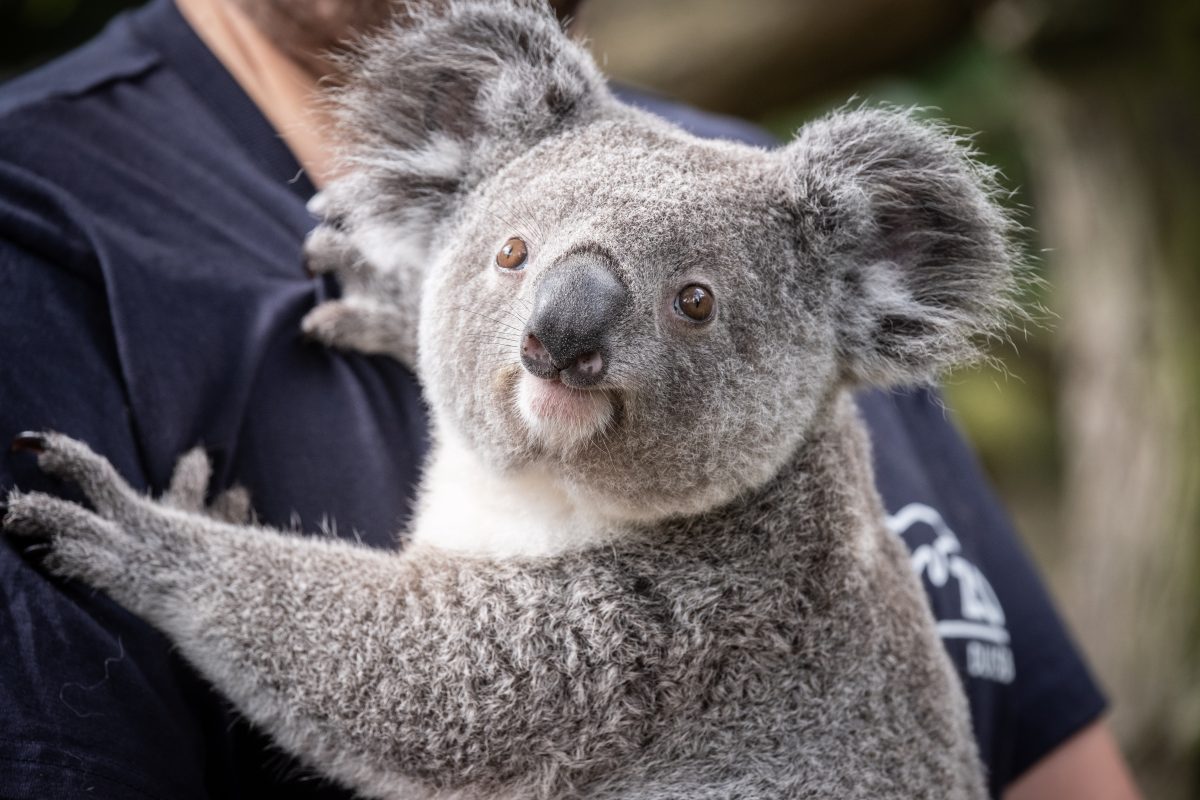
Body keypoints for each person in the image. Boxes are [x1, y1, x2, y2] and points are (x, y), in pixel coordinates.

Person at [0, 0, 1140, 798]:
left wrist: (170, 561)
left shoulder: (776, 243)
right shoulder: (43, 228)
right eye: (508, 265)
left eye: (698, 305)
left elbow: (439, 677)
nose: (551, 331)